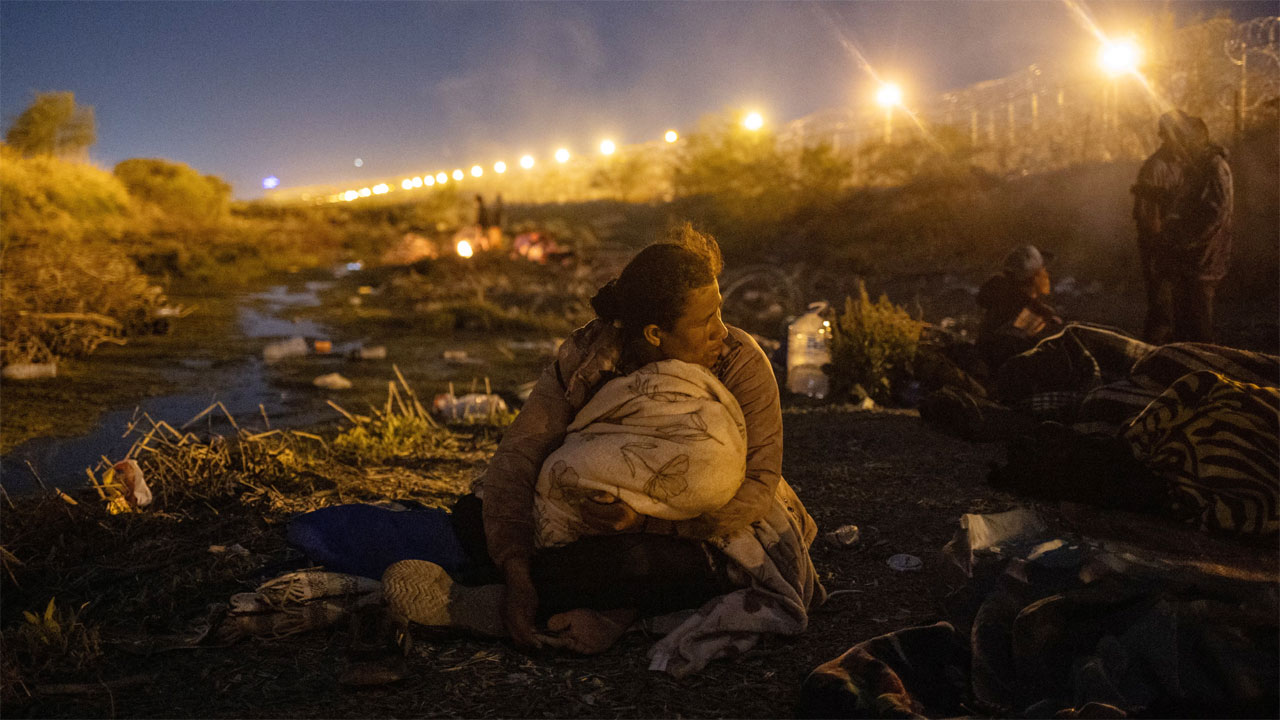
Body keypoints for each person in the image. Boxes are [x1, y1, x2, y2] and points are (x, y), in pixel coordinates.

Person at [300, 224, 823, 667]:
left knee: (636, 563)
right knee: (475, 519)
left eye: (720, 312)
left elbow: (757, 487)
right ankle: (531, 593)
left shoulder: (741, 364)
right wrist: (518, 567)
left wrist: (646, 522)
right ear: (656, 334)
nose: (722, 333)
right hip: (577, 519)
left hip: (697, 529)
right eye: (704, 321)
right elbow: (521, 455)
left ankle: (493, 607)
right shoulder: (588, 358)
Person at [1132, 111, 1233, 343]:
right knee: (1178, 322)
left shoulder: (1212, 168)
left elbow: (1211, 215)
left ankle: (1202, 373)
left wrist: (1177, 242)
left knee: (1195, 329)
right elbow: (1188, 207)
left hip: (1199, 260)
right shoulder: (1195, 168)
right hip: (1187, 259)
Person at [975, 244, 1064, 374]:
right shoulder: (1032, 311)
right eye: (1042, 270)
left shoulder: (1002, 299)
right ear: (1033, 276)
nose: (1046, 274)